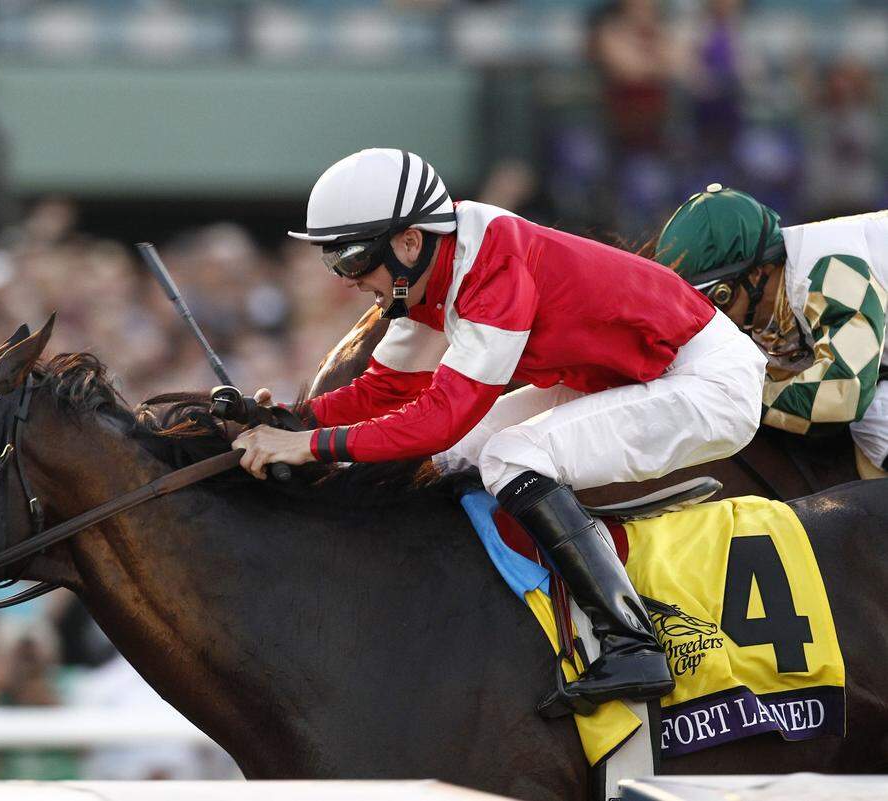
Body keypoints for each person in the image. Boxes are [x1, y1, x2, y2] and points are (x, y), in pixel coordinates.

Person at [233, 148, 767, 711]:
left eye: (354, 260)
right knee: (460, 456)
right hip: (622, 376)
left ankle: (632, 644)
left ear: (409, 241)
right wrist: (294, 420)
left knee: (513, 454)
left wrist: (307, 446)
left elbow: (437, 419)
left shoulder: (493, 268)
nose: (347, 280)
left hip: (706, 381)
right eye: (335, 262)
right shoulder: (427, 273)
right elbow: (388, 389)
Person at [655, 184, 888, 478]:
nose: (709, 320)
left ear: (756, 274)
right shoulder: (781, 286)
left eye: (717, 300)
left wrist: (740, 396)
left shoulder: (832, 267)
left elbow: (843, 395)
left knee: (879, 420)